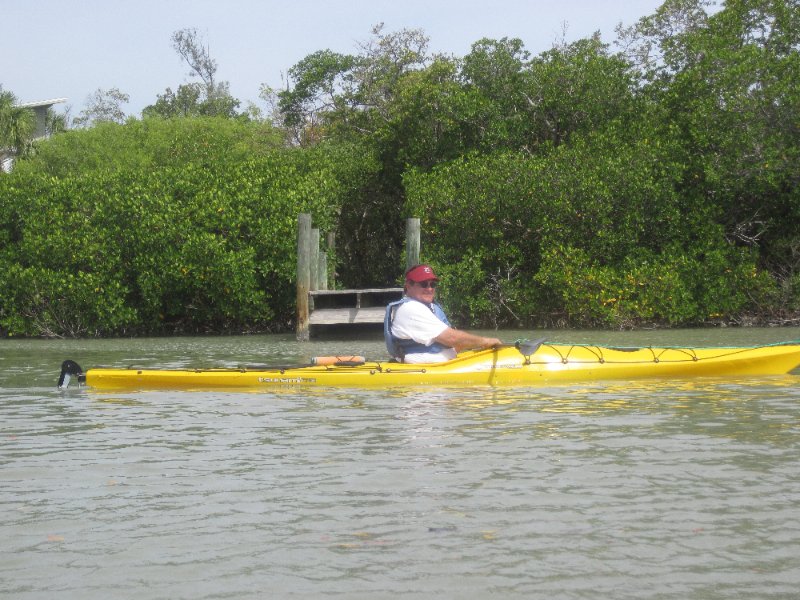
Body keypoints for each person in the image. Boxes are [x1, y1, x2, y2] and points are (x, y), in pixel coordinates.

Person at [384, 264, 502, 363]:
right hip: (424, 379)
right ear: (408, 286)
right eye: (424, 284)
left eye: (433, 284)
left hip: (443, 366)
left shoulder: (429, 307)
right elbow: (452, 338)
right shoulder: (410, 308)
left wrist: (474, 345)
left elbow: (454, 343)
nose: (429, 289)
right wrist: (486, 342)